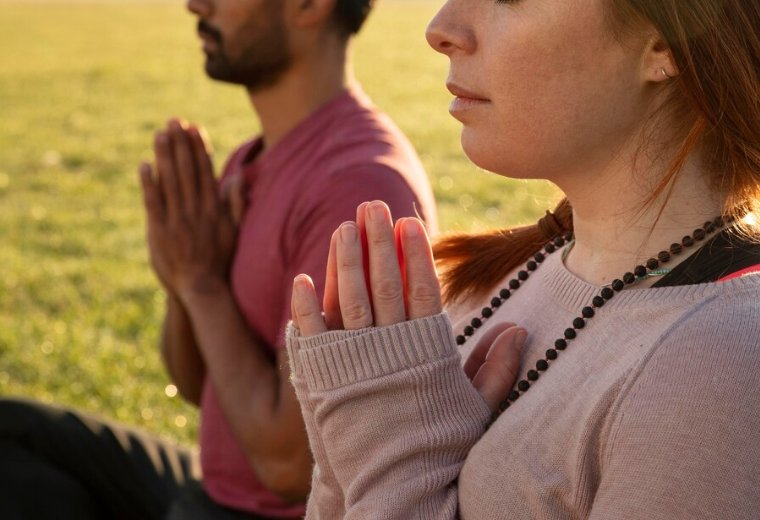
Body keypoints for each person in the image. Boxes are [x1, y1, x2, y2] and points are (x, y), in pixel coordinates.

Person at [288, 0, 760, 518]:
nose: (441, 29)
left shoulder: (721, 363)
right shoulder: (494, 279)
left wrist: (394, 450)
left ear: (665, 43)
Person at [0, 0, 436, 518]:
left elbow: (289, 471)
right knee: (12, 435)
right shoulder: (254, 158)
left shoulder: (357, 187)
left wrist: (202, 283)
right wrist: (184, 285)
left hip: (262, 513)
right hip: (215, 486)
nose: (195, 5)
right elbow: (192, 385)